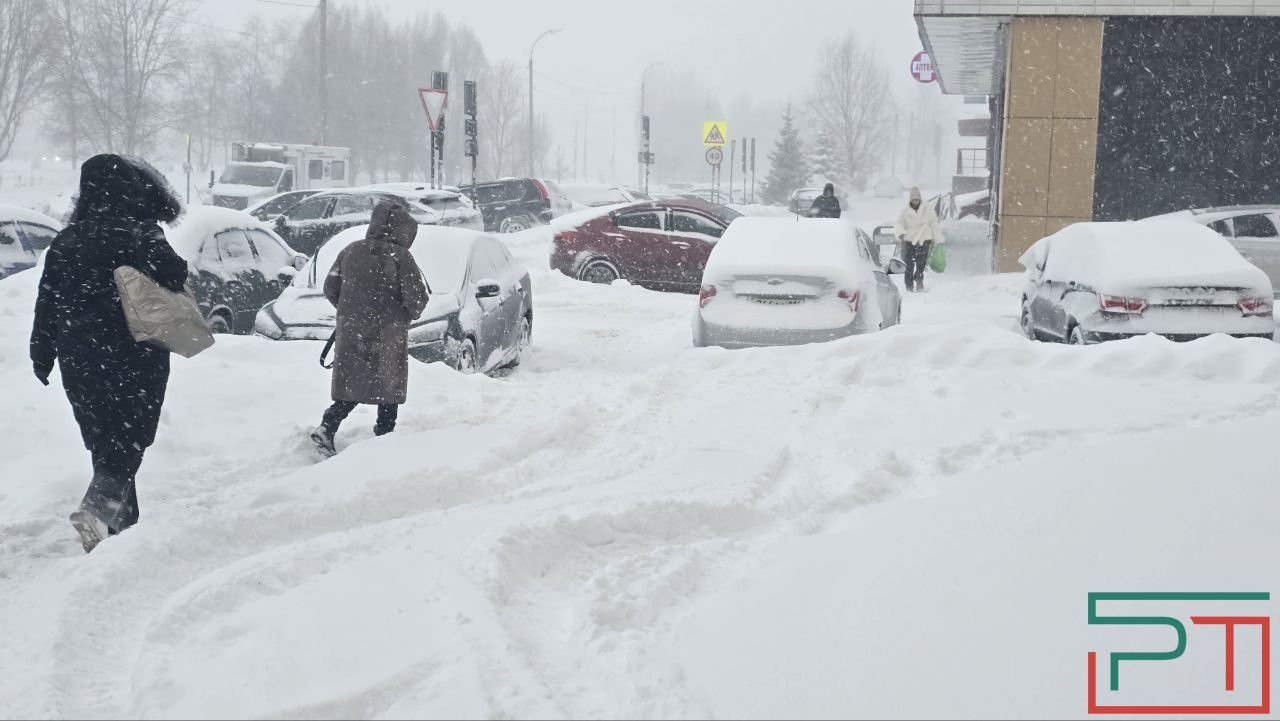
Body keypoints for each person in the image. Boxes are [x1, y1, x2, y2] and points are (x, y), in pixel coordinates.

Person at [30, 154, 189, 553]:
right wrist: (150, 240)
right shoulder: (139, 233)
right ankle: (97, 514)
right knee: (128, 442)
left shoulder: (67, 240)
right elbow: (176, 274)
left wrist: (41, 353)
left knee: (104, 442)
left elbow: (46, 302)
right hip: (136, 356)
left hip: (79, 359)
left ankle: (122, 528)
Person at [311, 201, 429, 456]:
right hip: (388, 334)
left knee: (352, 383)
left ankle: (328, 425)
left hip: (352, 332)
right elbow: (416, 299)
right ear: (404, 231)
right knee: (388, 388)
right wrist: (404, 315)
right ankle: (383, 440)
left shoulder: (351, 250)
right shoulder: (401, 257)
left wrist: (352, 311)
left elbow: (331, 288)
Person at [894, 186, 945, 292]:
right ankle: (909, 284)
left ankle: (919, 278)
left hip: (924, 239)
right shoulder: (905, 211)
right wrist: (900, 232)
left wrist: (937, 239)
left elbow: (934, 224)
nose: (915, 201)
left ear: (920, 199)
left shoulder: (928, 209)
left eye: (917, 199)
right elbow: (899, 223)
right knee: (908, 263)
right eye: (913, 199)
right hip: (910, 239)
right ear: (910, 199)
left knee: (921, 262)